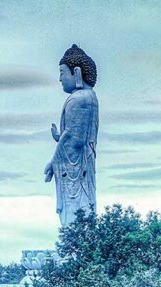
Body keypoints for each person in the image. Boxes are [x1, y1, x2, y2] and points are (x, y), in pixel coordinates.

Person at [44, 44, 99, 226]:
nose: (60, 79)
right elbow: (76, 135)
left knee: (75, 214)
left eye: (62, 73)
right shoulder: (90, 97)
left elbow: (75, 141)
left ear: (76, 73)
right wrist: (61, 137)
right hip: (83, 163)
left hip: (75, 169)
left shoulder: (78, 99)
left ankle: (74, 248)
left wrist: (53, 161)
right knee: (82, 212)